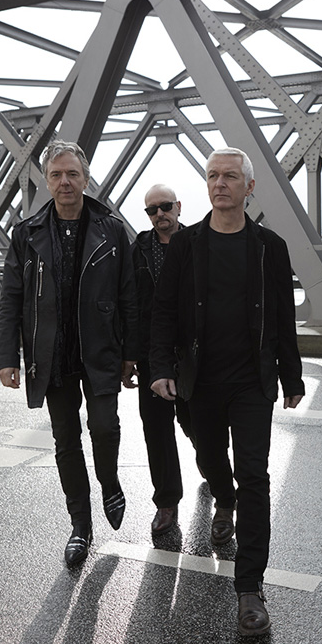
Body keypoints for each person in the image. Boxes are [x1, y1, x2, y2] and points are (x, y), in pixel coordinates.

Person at [149, 147, 304, 635]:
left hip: (252, 380)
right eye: (213, 175)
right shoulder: (186, 245)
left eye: (231, 176)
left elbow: (283, 316)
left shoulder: (270, 247)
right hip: (200, 380)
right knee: (212, 458)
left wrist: (292, 376)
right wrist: (161, 367)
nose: (220, 183)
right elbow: (164, 311)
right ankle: (223, 497)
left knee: (255, 474)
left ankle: (250, 588)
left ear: (249, 186)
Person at [0, 139, 137, 566]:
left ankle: (109, 481)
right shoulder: (27, 233)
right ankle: (80, 525)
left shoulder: (111, 229)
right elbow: (11, 298)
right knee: (66, 441)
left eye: (72, 174)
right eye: (56, 175)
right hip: (51, 353)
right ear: (46, 180)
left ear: (86, 178)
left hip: (100, 348)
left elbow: (129, 295)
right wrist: (7, 357)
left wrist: (131, 352)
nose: (65, 182)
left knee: (105, 427)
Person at [131, 184, 193, 535]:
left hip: (192, 354)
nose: (159, 214)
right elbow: (129, 303)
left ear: (178, 206)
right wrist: (128, 355)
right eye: (151, 210)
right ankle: (166, 502)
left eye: (165, 206)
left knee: (196, 423)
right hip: (151, 354)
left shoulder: (198, 242)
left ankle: (212, 470)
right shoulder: (138, 250)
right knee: (156, 430)